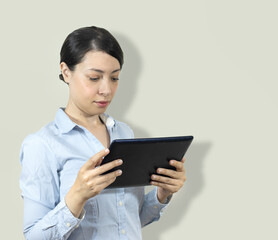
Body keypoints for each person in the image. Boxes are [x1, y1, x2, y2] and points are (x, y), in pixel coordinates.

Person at [19, 26, 186, 240]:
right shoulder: (41, 145)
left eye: (114, 78)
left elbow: (128, 221)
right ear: (66, 71)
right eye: (94, 78)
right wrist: (77, 196)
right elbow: (34, 237)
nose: (106, 90)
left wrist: (163, 193)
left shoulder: (124, 133)